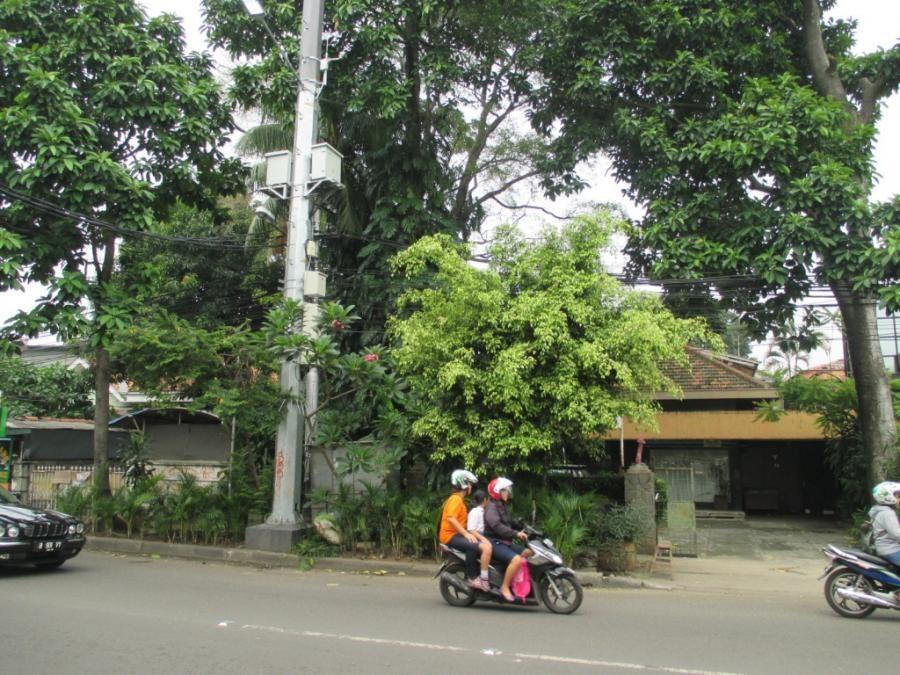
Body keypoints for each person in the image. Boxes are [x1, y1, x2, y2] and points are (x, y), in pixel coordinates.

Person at [438, 469, 492, 591]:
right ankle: (473, 578)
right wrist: (466, 534)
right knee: (472, 545)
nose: (471, 487)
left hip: (456, 535)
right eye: (469, 483)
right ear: (463, 484)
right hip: (450, 536)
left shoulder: (459, 500)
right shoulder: (455, 499)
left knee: (479, 543)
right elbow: (451, 518)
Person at [484, 476, 531, 602]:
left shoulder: (502, 506)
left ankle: (520, 583)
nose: (508, 493)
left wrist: (525, 527)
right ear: (497, 492)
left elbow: (511, 521)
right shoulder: (491, 508)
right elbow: (497, 527)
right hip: (494, 542)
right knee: (516, 560)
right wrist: (516, 534)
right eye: (504, 490)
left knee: (529, 553)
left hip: (504, 541)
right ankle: (504, 587)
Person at [868, 481, 900, 567]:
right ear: (888, 497)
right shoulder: (887, 513)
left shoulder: (879, 510)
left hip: (884, 547)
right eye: (897, 496)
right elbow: (897, 534)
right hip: (890, 549)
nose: (899, 499)